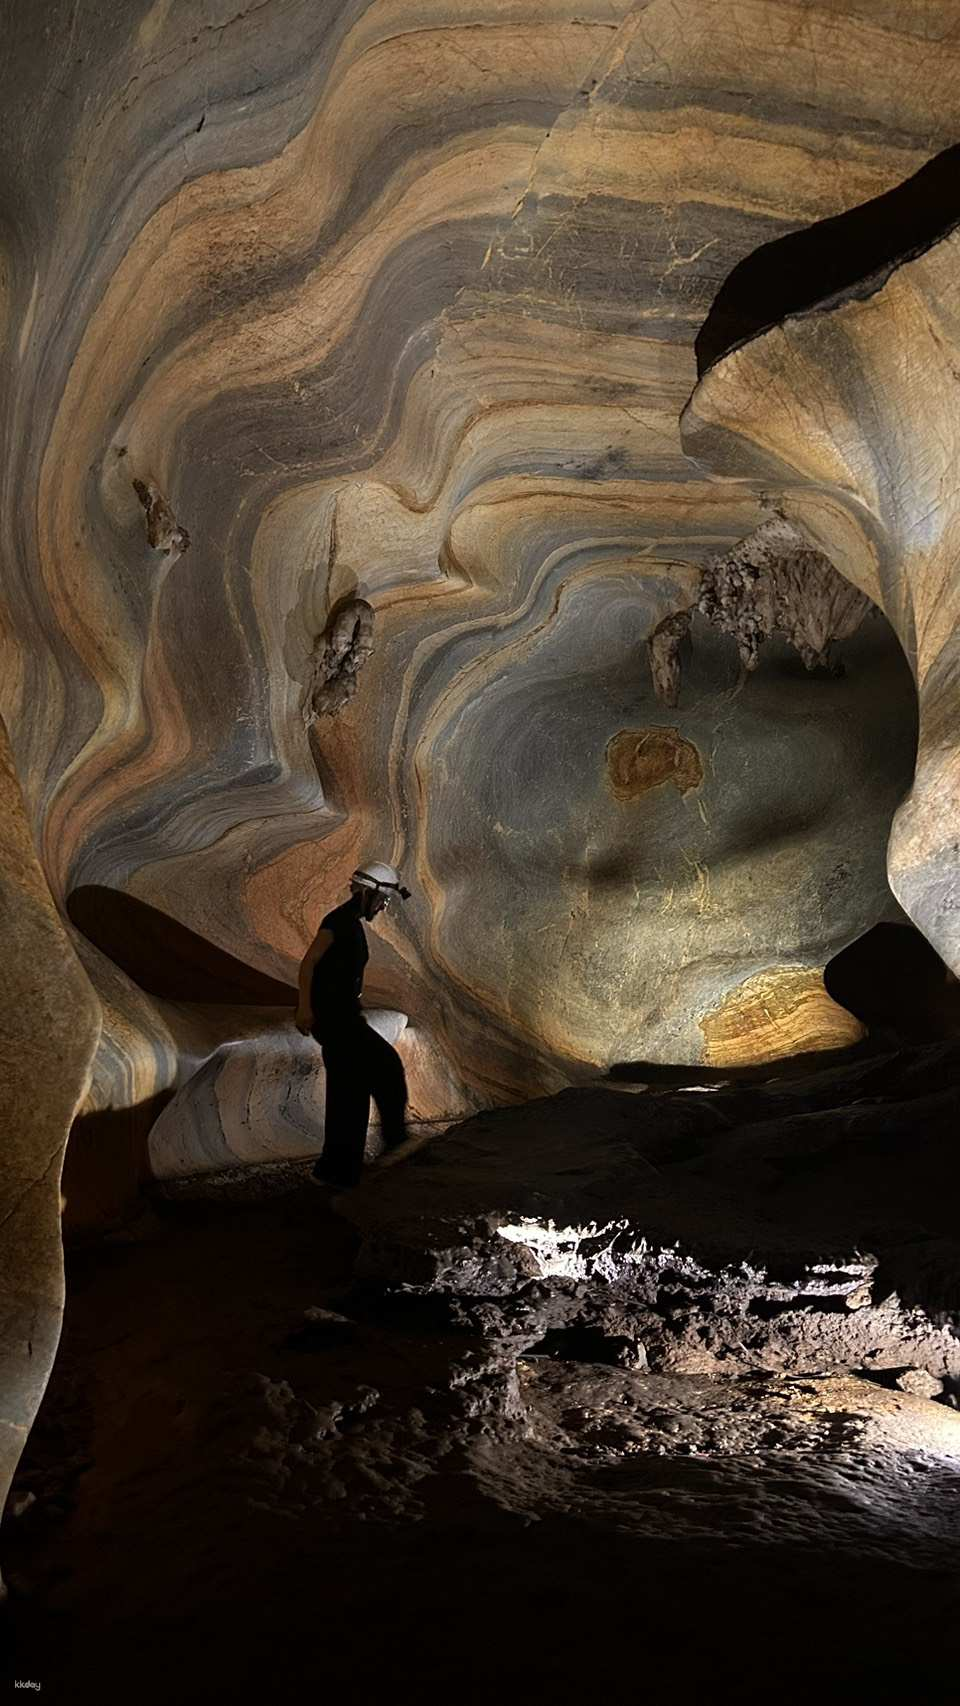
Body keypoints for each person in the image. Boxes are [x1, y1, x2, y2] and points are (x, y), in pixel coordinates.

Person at [296, 861, 411, 1186]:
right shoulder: (339, 922)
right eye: (383, 899)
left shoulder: (351, 923)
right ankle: (395, 1142)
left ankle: (336, 1172)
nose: (384, 906)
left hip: (344, 1017)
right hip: (335, 1020)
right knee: (385, 1065)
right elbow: (309, 964)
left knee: (351, 1091)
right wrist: (304, 1008)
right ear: (367, 892)